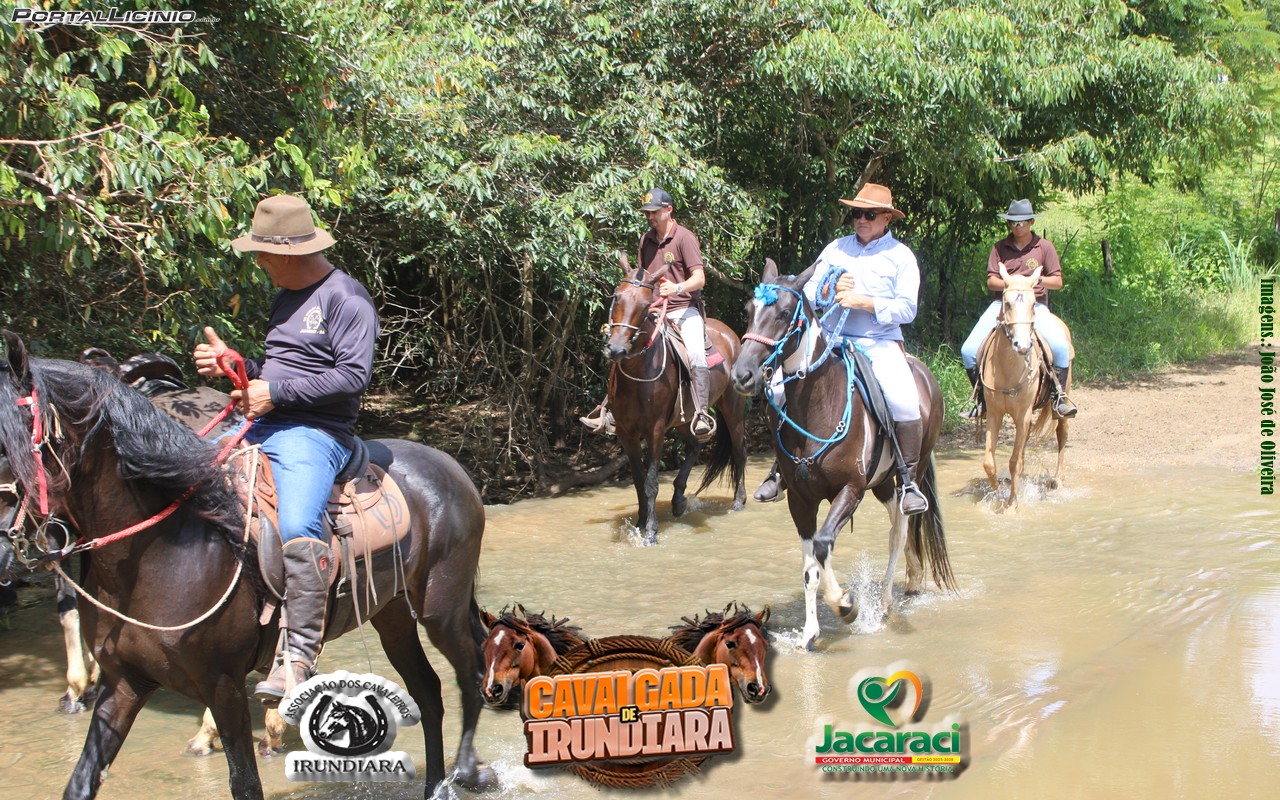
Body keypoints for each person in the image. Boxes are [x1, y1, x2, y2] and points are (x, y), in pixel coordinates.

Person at [193, 194, 379, 700]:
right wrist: (237, 365)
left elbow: (353, 376)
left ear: (288, 253)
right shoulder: (286, 296)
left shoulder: (347, 299)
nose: (258, 262)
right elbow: (280, 368)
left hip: (316, 434)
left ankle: (298, 656)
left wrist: (274, 393)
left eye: (262, 253)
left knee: (298, 524)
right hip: (263, 422)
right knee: (190, 483)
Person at [754, 183, 929, 515]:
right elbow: (809, 293)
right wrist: (829, 289)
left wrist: (864, 302)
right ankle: (780, 471)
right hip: (829, 339)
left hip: (878, 341)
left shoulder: (901, 256)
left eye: (869, 214)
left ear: (887, 218)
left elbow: (908, 309)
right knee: (777, 388)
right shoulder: (836, 249)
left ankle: (908, 482)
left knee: (904, 400)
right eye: (856, 213)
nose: (861, 219)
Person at [580, 187, 717, 441]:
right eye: (647, 213)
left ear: (668, 210)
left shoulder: (685, 238)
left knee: (697, 352)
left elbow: (699, 278)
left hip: (684, 308)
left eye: (654, 212)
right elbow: (642, 278)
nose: (650, 217)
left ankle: (701, 413)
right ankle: (609, 410)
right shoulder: (646, 240)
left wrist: (676, 287)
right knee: (621, 342)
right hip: (652, 310)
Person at [959, 199, 1077, 419]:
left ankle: (1058, 398)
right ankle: (981, 399)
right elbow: (991, 281)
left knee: (1061, 347)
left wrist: (1035, 280)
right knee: (968, 350)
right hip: (1003, 305)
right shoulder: (1000, 248)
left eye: (1022, 222)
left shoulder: (1044, 247)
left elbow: (1057, 281)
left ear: (1031, 222)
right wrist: (1012, 284)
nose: (1018, 226)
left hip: (1034, 306)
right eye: (1013, 222)